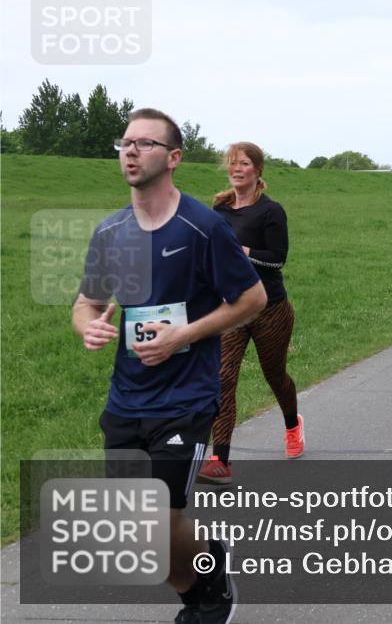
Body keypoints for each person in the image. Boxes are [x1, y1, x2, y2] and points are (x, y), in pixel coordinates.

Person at [73, 108, 266, 624]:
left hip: (185, 399)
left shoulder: (203, 227)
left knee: (159, 519)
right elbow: (85, 301)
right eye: (126, 142)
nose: (130, 151)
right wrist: (86, 325)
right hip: (126, 398)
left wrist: (184, 334)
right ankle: (206, 578)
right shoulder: (110, 231)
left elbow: (253, 299)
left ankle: (206, 597)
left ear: (174, 158)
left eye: (145, 143)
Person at [198, 142, 303, 488]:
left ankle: (292, 424)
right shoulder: (220, 207)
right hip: (231, 307)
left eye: (244, 163)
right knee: (224, 378)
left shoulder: (271, 211)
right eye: (232, 163)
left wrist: (240, 250)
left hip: (270, 308)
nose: (236, 168)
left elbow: (277, 259)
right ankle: (220, 460)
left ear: (258, 171)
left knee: (275, 376)